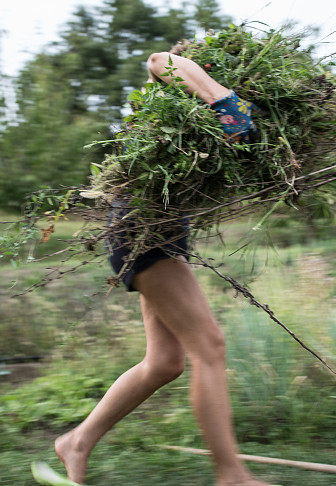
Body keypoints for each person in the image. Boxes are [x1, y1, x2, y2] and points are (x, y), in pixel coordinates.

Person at [52, 49, 274, 486]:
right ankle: (231, 475)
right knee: (209, 347)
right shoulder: (180, 84)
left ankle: (76, 442)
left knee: (164, 363)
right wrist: (224, 102)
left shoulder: (195, 113)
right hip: (141, 229)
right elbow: (158, 59)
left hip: (162, 232)